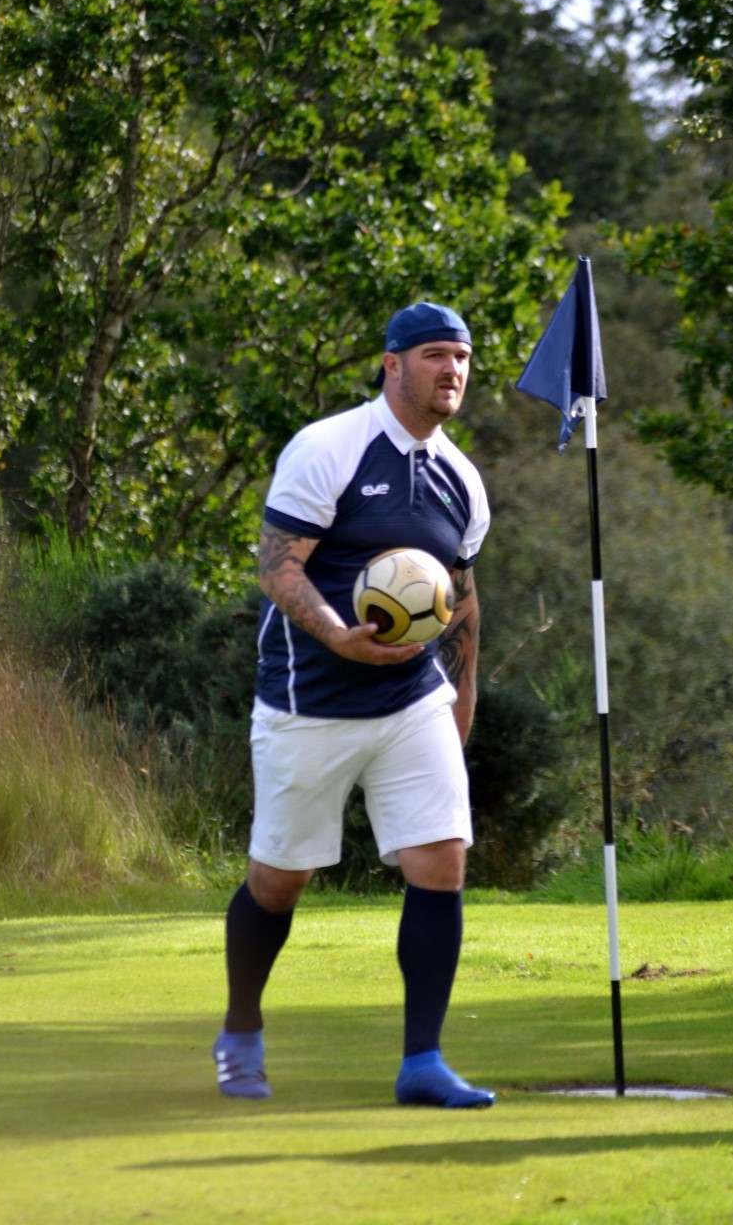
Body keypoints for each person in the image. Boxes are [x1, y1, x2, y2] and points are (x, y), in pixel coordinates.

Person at [212, 301, 495, 1109]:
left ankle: (423, 1063)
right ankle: (239, 1031)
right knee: (280, 878)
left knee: (440, 860)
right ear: (392, 363)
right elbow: (278, 568)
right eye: (436, 355)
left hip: (411, 700)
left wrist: (460, 700)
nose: (452, 371)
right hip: (311, 699)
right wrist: (339, 635)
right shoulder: (328, 447)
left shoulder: (462, 480)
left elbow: (462, 601)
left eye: (463, 358)